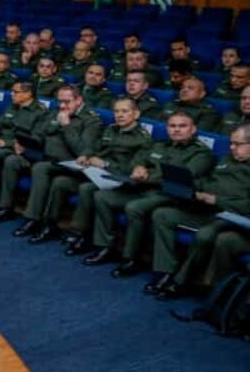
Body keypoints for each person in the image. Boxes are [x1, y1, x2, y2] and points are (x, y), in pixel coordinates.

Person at [83, 111, 216, 277]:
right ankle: (104, 247)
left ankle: (131, 258)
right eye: (172, 126)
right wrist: (138, 167)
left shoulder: (202, 154)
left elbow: (181, 177)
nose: (176, 130)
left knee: (135, 207)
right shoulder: (159, 145)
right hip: (141, 188)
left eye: (182, 126)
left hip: (169, 195)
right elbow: (139, 160)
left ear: (193, 129)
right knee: (102, 196)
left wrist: (147, 175)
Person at [146, 124, 250, 299]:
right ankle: (164, 272)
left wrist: (217, 200)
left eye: (238, 144)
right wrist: (193, 187)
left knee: (205, 235)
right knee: (162, 214)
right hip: (206, 208)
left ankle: (180, 282)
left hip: (232, 217)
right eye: (232, 143)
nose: (232, 148)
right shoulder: (227, 159)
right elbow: (211, 181)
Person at [42, 98, 153, 252]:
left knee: (87, 189)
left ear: (136, 114)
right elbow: (95, 148)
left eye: (125, 111)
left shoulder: (142, 139)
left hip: (118, 181)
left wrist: (106, 164)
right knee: (61, 181)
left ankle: (81, 233)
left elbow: (133, 168)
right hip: (96, 174)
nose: (119, 115)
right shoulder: (110, 129)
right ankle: (49, 224)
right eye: (117, 111)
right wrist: (86, 156)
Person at [11, 85, 104, 239]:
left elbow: (83, 151)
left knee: (41, 169)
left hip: (71, 165)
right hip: (47, 158)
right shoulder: (54, 113)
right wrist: (23, 143)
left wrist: (66, 126)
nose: (62, 106)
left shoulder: (91, 121)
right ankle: (48, 224)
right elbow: (40, 135)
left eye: (67, 102)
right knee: (16, 160)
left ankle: (33, 218)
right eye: (59, 101)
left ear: (79, 100)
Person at [0, 81, 49, 222]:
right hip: (5, 146)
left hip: (24, 152)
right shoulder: (12, 106)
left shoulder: (40, 112)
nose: (11, 94)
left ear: (28, 94)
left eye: (15, 92)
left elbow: (35, 140)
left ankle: (5, 207)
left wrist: (7, 143)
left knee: (10, 161)